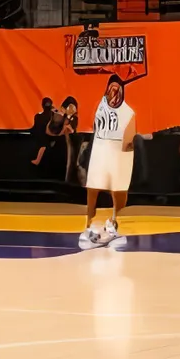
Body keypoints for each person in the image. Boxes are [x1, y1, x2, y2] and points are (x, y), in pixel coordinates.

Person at [79, 75, 136, 249]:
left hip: (119, 149)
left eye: (117, 88)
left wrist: (127, 146)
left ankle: (114, 224)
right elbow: (92, 125)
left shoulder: (128, 111)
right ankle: (89, 225)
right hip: (101, 146)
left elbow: (129, 137)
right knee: (94, 188)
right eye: (112, 87)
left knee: (117, 191)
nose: (114, 91)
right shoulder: (98, 104)